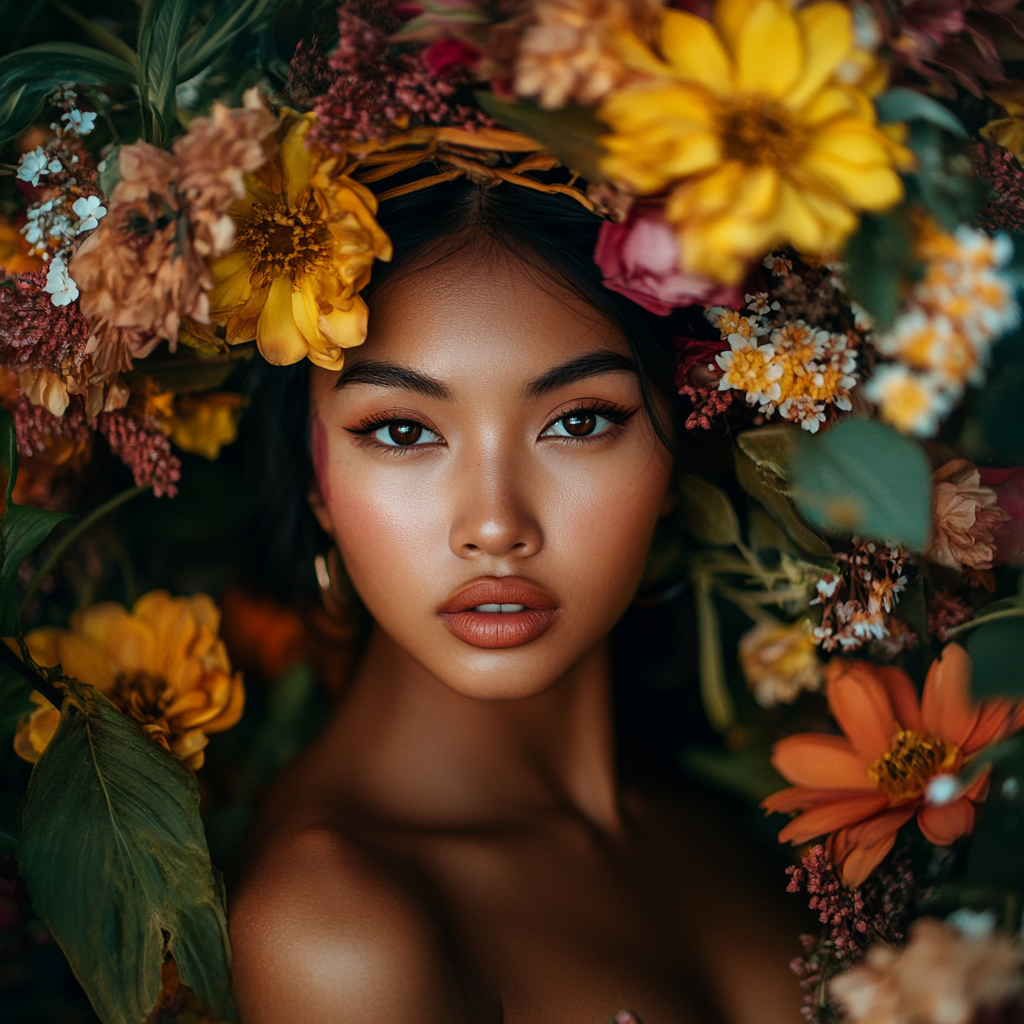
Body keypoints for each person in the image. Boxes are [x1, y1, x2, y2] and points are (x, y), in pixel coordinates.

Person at [229, 175, 806, 1024]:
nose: (495, 525)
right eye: (402, 430)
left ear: (680, 440)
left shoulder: (728, 819)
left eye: (578, 422)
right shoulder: (338, 928)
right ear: (315, 475)